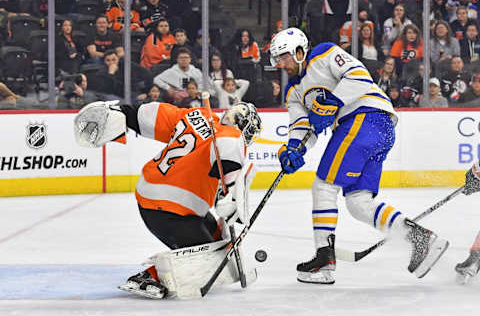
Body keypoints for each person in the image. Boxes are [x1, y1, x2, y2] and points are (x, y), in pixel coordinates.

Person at [269, 27, 449, 284]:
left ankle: (324, 259)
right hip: (378, 131)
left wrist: (332, 102)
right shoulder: (294, 93)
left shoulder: (323, 53)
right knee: (358, 203)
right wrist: (293, 150)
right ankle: (422, 240)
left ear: (300, 51)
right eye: (277, 59)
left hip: (366, 118)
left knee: (323, 187)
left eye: (284, 57)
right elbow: (302, 129)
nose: (280, 64)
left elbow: (358, 75)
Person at [73, 100, 262, 299]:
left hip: (153, 195)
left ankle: (207, 246)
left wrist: (123, 111)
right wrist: (232, 195)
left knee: (216, 238)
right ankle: (149, 277)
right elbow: (229, 159)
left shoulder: (197, 115)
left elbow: (150, 116)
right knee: (209, 260)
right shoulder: (232, 137)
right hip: (171, 210)